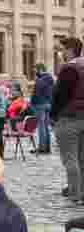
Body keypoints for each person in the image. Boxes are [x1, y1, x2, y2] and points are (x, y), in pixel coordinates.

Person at [53, 36, 84, 201]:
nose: (61, 53)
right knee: (82, 158)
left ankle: (75, 193)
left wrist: (53, 116)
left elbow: (60, 96)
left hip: (69, 118)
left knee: (70, 159)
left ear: (70, 50)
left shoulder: (70, 68)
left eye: (62, 49)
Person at [31, 63, 54, 154]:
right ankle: (47, 148)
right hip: (48, 103)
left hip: (40, 104)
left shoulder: (40, 79)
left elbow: (36, 92)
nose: (34, 72)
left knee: (41, 127)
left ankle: (42, 148)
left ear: (40, 69)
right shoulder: (50, 79)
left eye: (35, 70)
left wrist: (32, 103)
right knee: (46, 126)